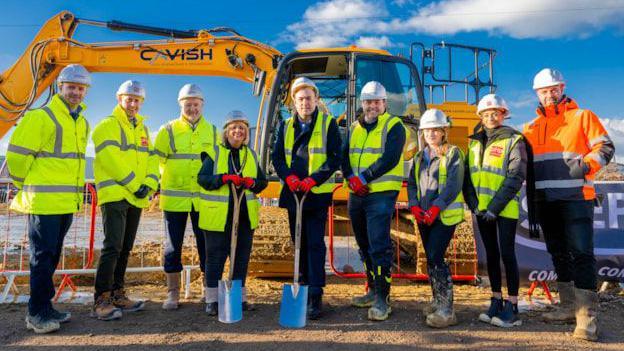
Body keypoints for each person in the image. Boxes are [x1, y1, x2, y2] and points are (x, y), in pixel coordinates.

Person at [523, 68, 615, 341]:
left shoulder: (582, 116)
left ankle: (587, 318)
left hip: (576, 199)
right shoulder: (530, 127)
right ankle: (566, 307)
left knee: (582, 254)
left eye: (554, 89)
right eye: (544, 91)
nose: (549, 95)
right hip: (545, 200)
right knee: (558, 253)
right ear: (537, 94)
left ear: (562, 88)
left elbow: (606, 148)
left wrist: (587, 164)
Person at [7, 64, 91, 334]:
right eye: (72, 87)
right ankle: (36, 313)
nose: (76, 92)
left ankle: (46, 306)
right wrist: (26, 185)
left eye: (80, 88)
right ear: (60, 87)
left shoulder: (81, 122)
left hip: (65, 203)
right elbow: (17, 157)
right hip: (43, 203)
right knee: (41, 258)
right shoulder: (42, 117)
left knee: (51, 256)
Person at [271, 77, 342, 319]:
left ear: (316, 99)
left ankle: (315, 294)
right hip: (294, 194)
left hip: (316, 194)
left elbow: (334, 158)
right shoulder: (285, 126)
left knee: (314, 243)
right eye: (300, 99)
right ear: (293, 101)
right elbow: (277, 157)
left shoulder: (328, 123)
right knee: (297, 242)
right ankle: (299, 287)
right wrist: (288, 177)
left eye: (309, 98)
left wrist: (314, 179)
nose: (305, 103)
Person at [91, 80, 159, 321]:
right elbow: (111, 160)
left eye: (137, 100)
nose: (132, 103)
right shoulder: (106, 126)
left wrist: (150, 184)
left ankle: (118, 292)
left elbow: (151, 159)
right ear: (119, 99)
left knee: (126, 248)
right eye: (128, 99)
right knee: (112, 247)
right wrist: (135, 184)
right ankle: (102, 298)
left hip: (136, 196)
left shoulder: (142, 129)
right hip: (116, 195)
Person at [343, 81, 406, 321]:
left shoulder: (394, 125)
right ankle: (371, 289)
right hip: (356, 193)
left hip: (380, 193)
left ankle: (383, 298)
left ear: (384, 104)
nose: (371, 106)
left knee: (379, 245)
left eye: (376, 102)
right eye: (368, 102)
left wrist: (364, 177)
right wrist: (351, 178)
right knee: (364, 244)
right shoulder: (353, 128)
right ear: (362, 103)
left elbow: (390, 158)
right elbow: (343, 156)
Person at [463, 94, 527, 328]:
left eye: (495, 113)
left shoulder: (513, 139)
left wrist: (494, 207)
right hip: (481, 210)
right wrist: (473, 204)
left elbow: (516, 175)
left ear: (503, 114)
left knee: (507, 254)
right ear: (480, 116)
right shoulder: (474, 142)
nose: (491, 117)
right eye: (486, 114)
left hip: (504, 210)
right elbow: (468, 178)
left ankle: (513, 306)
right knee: (490, 255)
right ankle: (496, 300)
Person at [154, 84, 218, 310]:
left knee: (206, 245)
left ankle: (206, 288)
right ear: (181, 105)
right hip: (175, 199)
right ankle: (173, 292)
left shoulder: (212, 131)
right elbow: (157, 160)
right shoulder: (168, 130)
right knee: (173, 247)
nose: (192, 108)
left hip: (203, 199)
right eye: (188, 104)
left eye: (196, 104)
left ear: (202, 105)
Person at [197, 110, 267, 315]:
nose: (238, 131)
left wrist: (252, 183)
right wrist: (223, 178)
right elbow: (203, 179)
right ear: (226, 132)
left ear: (246, 133)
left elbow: (262, 182)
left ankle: (238, 298)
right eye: (234, 127)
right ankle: (212, 300)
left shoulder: (251, 155)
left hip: (244, 216)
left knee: (240, 258)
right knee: (215, 258)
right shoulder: (215, 153)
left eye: (242, 128)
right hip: (218, 217)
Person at [408, 109, 464, 328]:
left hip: (443, 217)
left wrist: (435, 209)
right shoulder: (419, 156)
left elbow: (453, 185)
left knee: (435, 255)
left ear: (443, 131)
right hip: (424, 216)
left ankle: (447, 310)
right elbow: (412, 183)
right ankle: (437, 300)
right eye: (427, 130)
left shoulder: (453, 154)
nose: (431, 134)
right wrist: (414, 204)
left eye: (435, 130)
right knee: (431, 259)